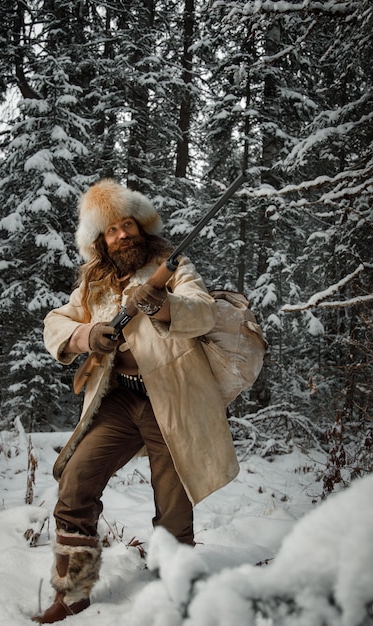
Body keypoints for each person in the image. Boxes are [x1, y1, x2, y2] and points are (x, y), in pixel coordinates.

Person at [32, 178, 239, 623]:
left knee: (174, 510)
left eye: (128, 225)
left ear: (141, 227)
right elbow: (56, 322)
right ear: (101, 242)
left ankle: (176, 594)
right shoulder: (95, 283)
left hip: (173, 403)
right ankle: (72, 593)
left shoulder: (173, 264)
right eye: (111, 230)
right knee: (74, 485)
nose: (122, 235)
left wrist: (159, 304)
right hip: (120, 400)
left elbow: (202, 311)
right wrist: (87, 334)